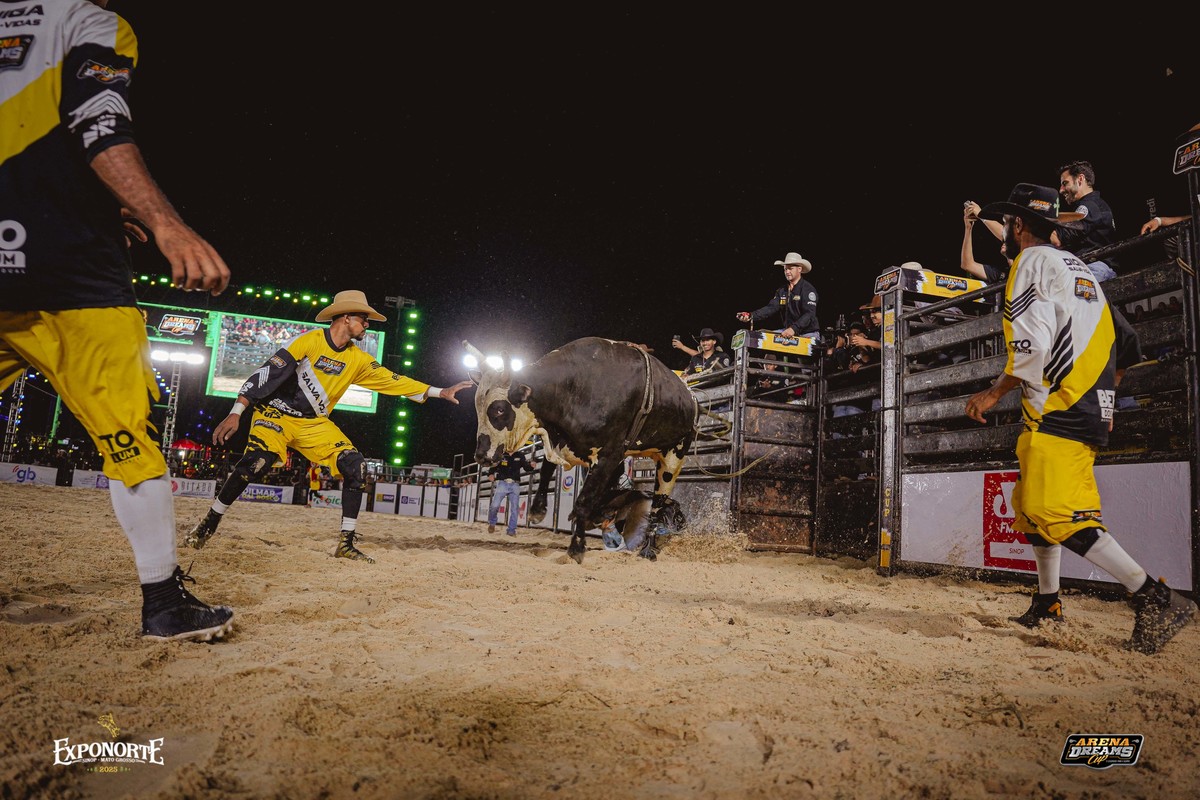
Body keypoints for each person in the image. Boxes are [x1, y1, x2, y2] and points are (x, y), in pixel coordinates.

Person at [0, 0, 234, 642]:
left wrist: (102, 206)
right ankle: (162, 602)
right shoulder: (89, 20)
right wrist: (165, 222)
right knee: (130, 441)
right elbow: (96, 121)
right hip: (69, 274)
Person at [965, 183, 1195, 655]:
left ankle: (1154, 597)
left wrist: (992, 393)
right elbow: (1127, 343)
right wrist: (1104, 400)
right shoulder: (1078, 268)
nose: (1004, 232)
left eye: (1006, 224)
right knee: (1033, 508)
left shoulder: (1029, 263)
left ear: (1018, 225)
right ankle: (1047, 602)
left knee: (1056, 513)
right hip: (1079, 405)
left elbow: (1030, 345)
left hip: (1059, 406)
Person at [187, 290, 473, 563]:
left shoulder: (357, 359)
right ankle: (209, 522)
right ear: (346, 317)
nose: (367, 324)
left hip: (313, 424)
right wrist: (236, 412)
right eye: (364, 319)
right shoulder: (308, 341)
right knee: (256, 463)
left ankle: (346, 544)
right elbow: (265, 374)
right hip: (274, 415)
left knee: (356, 466)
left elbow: (393, 381)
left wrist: (440, 391)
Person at [1052, 160, 1120, 281]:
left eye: (1065, 183)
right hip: (1089, 267)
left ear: (1080, 179)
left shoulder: (1089, 206)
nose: (1061, 190)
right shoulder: (1092, 205)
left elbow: (1057, 240)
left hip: (1096, 268)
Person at [735, 252, 821, 341]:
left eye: (790, 269)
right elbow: (771, 308)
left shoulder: (808, 289)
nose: (787, 272)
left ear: (799, 269)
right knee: (764, 340)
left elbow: (809, 314)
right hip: (788, 332)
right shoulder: (782, 290)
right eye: (785, 269)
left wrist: (793, 329)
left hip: (808, 333)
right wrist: (751, 315)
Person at [487, 448, 539, 536]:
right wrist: (490, 474)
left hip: (515, 484)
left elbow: (526, 467)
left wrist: (531, 466)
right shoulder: (501, 455)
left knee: (514, 508)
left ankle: (511, 530)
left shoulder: (520, 455)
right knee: (494, 505)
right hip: (502, 483)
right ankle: (492, 523)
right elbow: (493, 466)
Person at [961, 201, 1011, 284]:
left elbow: (1008, 236)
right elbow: (967, 264)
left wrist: (981, 215)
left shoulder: (1024, 265)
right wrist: (968, 228)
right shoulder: (1001, 274)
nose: (1004, 242)